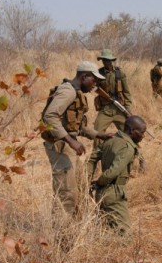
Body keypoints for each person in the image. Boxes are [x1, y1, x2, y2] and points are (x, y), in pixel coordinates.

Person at [41, 61, 114, 218]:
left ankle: (74, 227)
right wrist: (71, 141)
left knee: (78, 187)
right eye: (93, 80)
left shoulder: (76, 92)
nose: (94, 85)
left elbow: (76, 125)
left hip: (67, 145)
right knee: (66, 193)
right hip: (59, 146)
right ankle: (62, 237)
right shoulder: (68, 92)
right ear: (84, 76)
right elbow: (50, 117)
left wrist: (100, 135)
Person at [91, 115, 146, 236]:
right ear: (132, 131)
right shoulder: (127, 148)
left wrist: (91, 182)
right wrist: (99, 182)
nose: (143, 136)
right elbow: (113, 172)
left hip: (101, 193)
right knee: (126, 237)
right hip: (114, 193)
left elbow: (92, 159)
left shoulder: (109, 140)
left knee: (106, 231)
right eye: (141, 132)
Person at [87, 49, 132, 182]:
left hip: (119, 110)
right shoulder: (98, 74)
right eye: (104, 60)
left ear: (112, 60)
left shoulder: (120, 73)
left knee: (130, 136)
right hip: (105, 110)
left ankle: (138, 161)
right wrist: (98, 90)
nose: (107, 62)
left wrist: (127, 110)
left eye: (109, 60)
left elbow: (127, 92)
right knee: (97, 135)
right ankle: (93, 168)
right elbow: (92, 87)